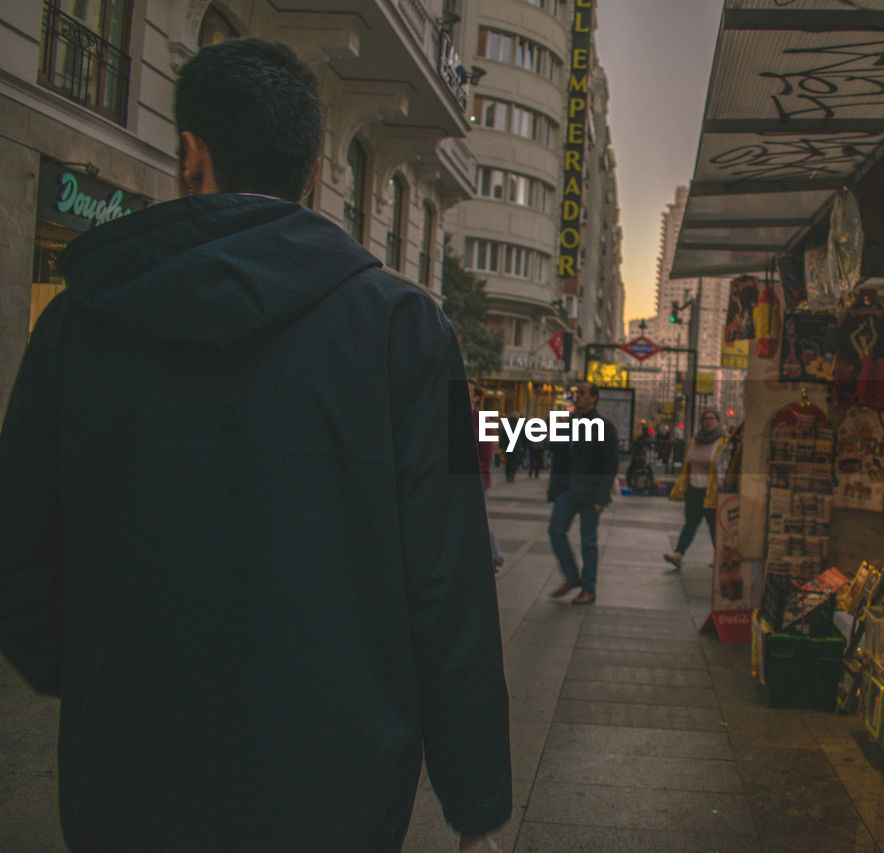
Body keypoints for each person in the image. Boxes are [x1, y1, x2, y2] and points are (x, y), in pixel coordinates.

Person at [0, 38, 510, 851]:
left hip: (131, 779)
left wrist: (106, 673)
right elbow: (449, 580)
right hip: (334, 783)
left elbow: (18, 555)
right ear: (313, 172)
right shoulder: (409, 333)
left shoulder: (76, 324)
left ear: (190, 154)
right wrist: (473, 796)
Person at [547, 382, 620, 605]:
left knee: (588, 542)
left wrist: (601, 496)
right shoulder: (567, 423)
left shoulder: (604, 427)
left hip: (590, 493)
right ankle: (571, 576)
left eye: (582, 393)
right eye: (575, 393)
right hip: (567, 490)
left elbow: (610, 464)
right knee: (555, 531)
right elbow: (558, 454)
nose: (577, 397)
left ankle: (589, 588)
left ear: (594, 398)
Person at [664, 410, 729, 570]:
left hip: (711, 490)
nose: (709, 421)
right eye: (705, 419)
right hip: (693, 488)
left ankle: (719, 557)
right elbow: (688, 463)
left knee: (714, 526)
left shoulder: (723, 442)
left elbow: (725, 466)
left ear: (718, 421)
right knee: (690, 523)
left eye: (712, 419)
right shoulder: (694, 440)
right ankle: (678, 554)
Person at [471, 382, 503, 573]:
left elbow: (485, 456)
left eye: (468, 391)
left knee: (479, 518)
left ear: (476, 397)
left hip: (477, 480)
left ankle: (494, 556)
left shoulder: (482, 422)